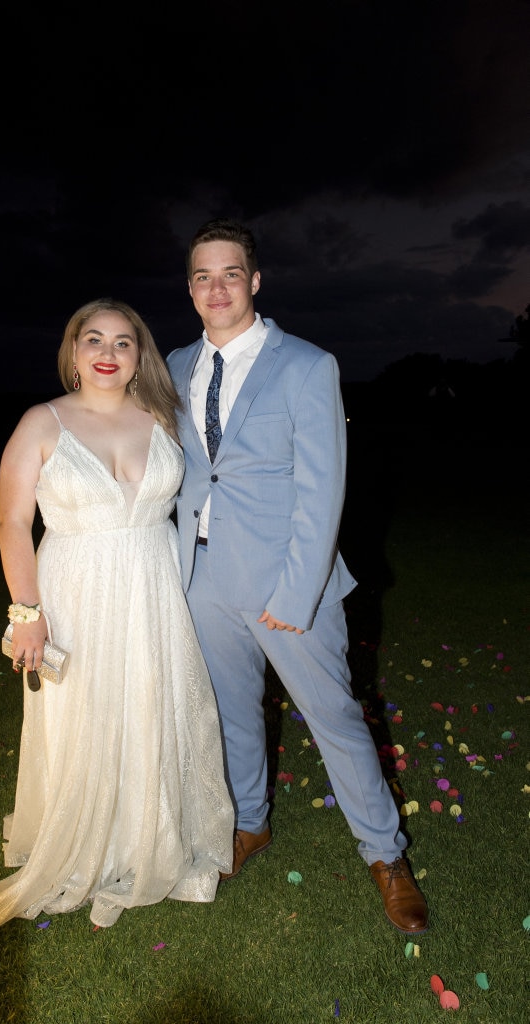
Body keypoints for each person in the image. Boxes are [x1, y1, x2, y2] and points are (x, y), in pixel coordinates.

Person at [166, 219, 428, 935]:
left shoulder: (307, 364)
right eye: (200, 276)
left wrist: (298, 590)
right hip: (202, 578)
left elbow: (322, 489)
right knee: (233, 714)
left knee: (336, 717)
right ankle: (248, 823)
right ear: (189, 288)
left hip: (287, 579)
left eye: (228, 274)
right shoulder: (173, 362)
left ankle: (385, 855)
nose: (215, 287)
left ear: (254, 281)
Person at [0, 298, 234, 938]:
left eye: (123, 342)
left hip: (154, 587)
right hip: (74, 591)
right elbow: (12, 523)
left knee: (152, 706)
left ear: (140, 356)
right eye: (94, 340)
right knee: (85, 713)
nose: (108, 354)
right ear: (73, 352)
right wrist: (26, 612)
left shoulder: (165, 417)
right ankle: (86, 842)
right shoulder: (40, 422)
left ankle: (147, 841)